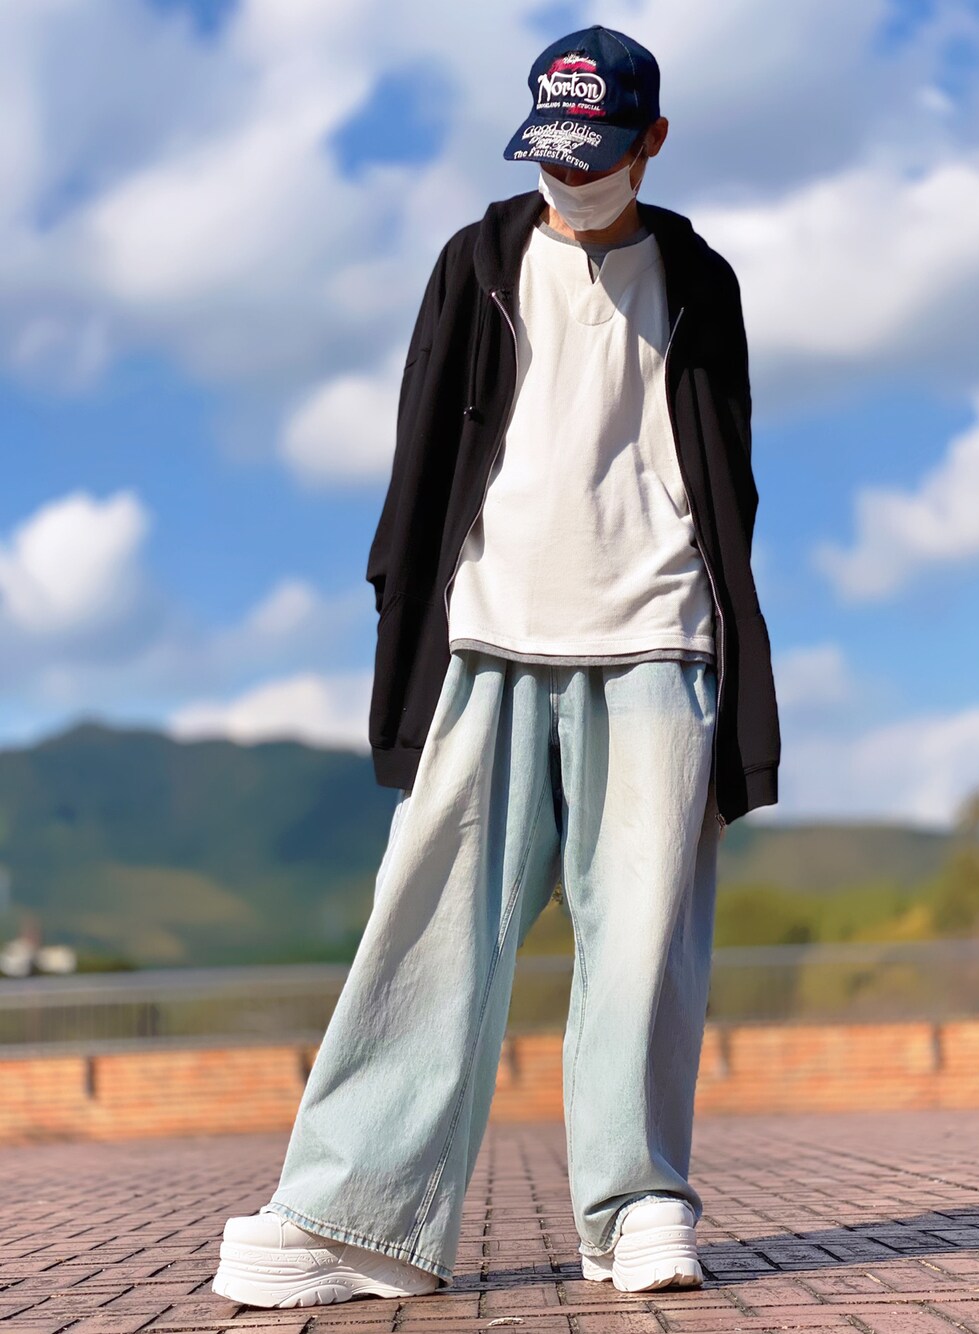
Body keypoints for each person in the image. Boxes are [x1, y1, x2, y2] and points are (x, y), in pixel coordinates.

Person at [212, 23, 780, 1310]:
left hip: (657, 635)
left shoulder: (701, 279)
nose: (570, 176)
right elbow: (422, 459)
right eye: (551, 154)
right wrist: (399, 620)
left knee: (642, 939)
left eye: (595, 154)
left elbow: (728, 479)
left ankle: (636, 1204)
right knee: (424, 928)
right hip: (487, 632)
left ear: (651, 141)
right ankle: (353, 1215)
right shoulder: (476, 262)